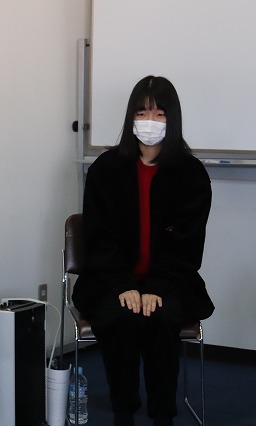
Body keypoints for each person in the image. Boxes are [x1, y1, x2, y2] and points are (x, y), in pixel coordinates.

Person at [72, 76, 214, 426]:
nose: (150, 121)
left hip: (171, 282)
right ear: (131, 117)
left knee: (161, 317)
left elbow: (187, 245)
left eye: (159, 114)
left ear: (172, 119)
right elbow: (99, 237)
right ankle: (123, 412)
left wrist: (156, 287)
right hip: (110, 281)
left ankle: (162, 415)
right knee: (121, 317)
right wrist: (123, 285)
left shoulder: (191, 174)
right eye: (142, 112)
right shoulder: (106, 168)